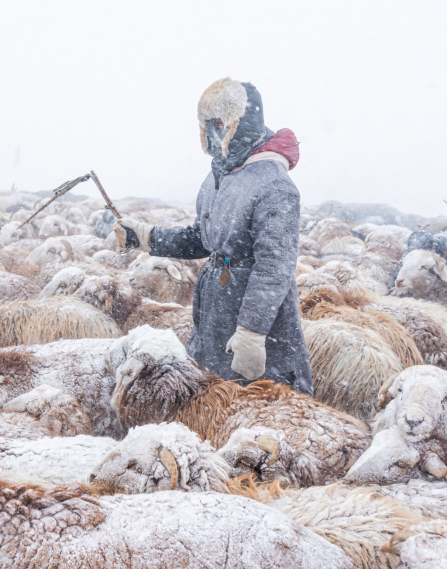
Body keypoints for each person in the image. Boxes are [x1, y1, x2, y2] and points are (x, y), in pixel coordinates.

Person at [115, 77, 313, 395]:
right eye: (208, 124)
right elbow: (203, 239)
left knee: (262, 404)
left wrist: (252, 331)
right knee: (212, 399)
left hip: (253, 321)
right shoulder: (218, 175)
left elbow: (274, 267)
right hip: (214, 312)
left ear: (241, 123)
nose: (213, 131)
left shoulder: (273, 184)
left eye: (219, 122)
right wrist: (146, 237)